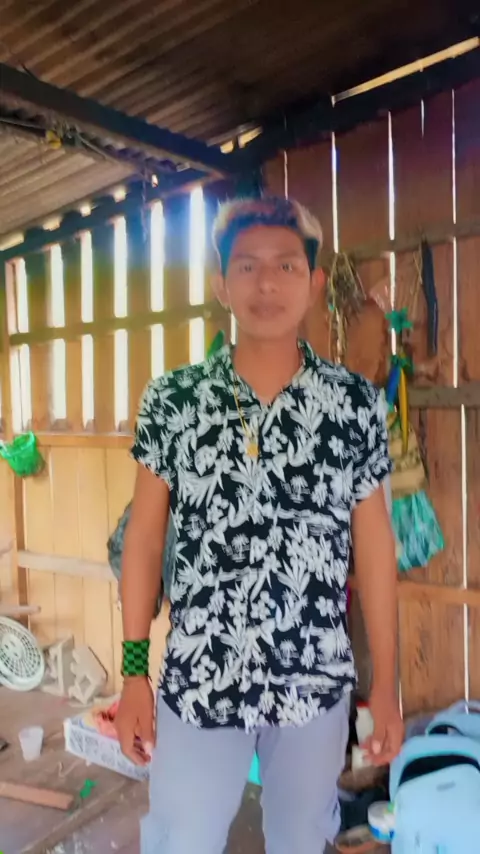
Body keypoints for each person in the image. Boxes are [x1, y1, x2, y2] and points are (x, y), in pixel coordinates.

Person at [116, 195, 403, 854]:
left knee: (301, 839)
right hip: (201, 680)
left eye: (285, 266)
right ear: (222, 284)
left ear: (315, 283)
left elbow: (374, 547)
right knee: (182, 841)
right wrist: (134, 672)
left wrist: (386, 685)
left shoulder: (353, 405)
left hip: (313, 682)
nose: (266, 283)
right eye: (246, 266)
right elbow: (145, 539)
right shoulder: (175, 400)